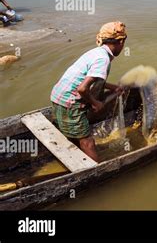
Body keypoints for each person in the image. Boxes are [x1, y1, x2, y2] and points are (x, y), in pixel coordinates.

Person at [50, 21, 127, 162]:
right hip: (70, 102)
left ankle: (75, 157)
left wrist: (114, 88)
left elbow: (94, 81)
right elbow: (82, 88)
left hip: (58, 96)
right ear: (120, 41)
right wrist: (96, 103)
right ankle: (96, 170)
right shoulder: (103, 59)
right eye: (123, 43)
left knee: (73, 136)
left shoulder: (96, 52)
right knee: (87, 142)